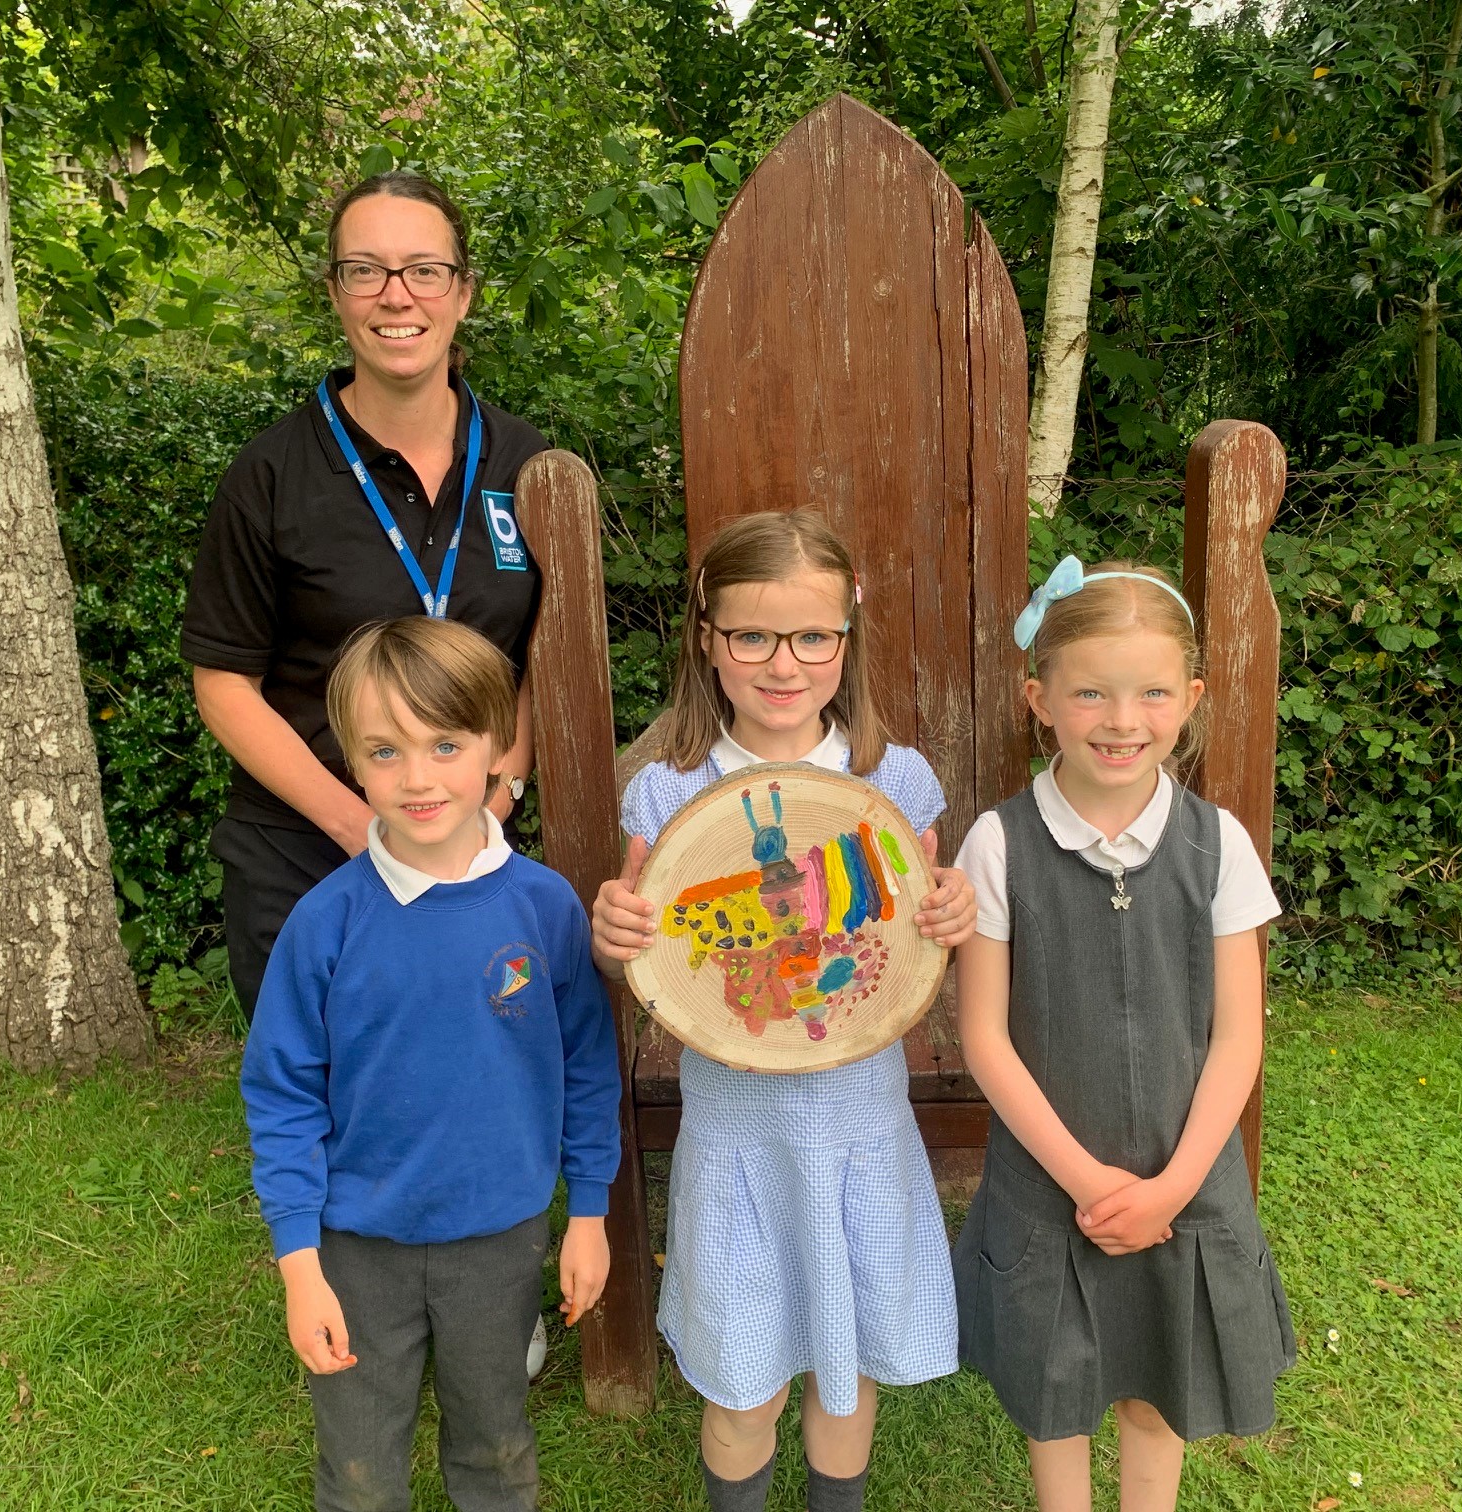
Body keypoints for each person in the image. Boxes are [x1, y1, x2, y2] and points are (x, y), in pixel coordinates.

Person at [590, 511, 977, 1512]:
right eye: (752, 636)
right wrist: (615, 932)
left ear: (846, 641)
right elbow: (648, 948)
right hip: (737, 1142)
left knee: (844, 1377)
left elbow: (916, 932)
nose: (782, 664)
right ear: (707, 642)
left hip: (859, 1128)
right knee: (744, 1379)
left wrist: (955, 910)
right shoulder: (669, 791)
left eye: (812, 637)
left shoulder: (892, 781)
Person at [240, 616, 620, 1512]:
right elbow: (282, 1095)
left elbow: (587, 1067)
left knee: (493, 1447)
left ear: (496, 744)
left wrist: (591, 1212)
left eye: (445, 743)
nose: (417, 778)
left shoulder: (545, 906)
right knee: (362, 1468)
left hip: (500, 1237)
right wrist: (300, 1266)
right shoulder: (324, 925)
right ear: (350, 760)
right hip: (354, 1247)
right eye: (384, 750)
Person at [949, 555, 1295, 1512]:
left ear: (1189, 697)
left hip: (1186, 1180)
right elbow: (984, 1037)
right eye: (1091, 693)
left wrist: (1173, 1189)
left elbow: (1237, 1040)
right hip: (1052, 1181)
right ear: (1039, 698)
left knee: (1158, 1393)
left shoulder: (1218, 843)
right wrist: (1092, 1183)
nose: (1121, 720)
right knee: (1056, 1396)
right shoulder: (998, 844)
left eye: (1150, 693)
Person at [184, 169, 548, 1022]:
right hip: (312, 853)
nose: (397, 295)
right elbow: (224, 684)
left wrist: (499, 798)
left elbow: (542, 652)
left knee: (476, 1087)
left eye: (424, 269)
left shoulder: (529, 465)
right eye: (366, 270)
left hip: (479, 848)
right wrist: (366, 832)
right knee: (333, 1111)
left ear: (462, 293)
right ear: (336, 293)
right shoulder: (270, 476)